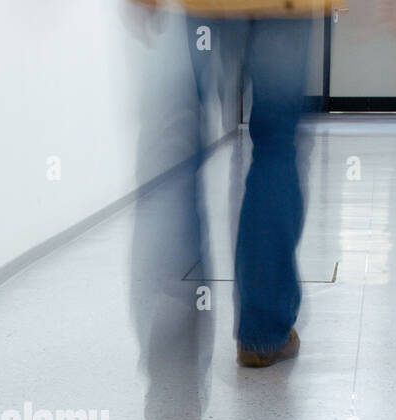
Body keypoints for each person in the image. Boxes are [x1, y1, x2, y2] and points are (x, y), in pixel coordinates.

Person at [129, 0, 330, 380]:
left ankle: (175, 354)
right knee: (276, 144)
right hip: (286, 6)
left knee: (178, 146)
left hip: (200, 5)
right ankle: (263, 335)